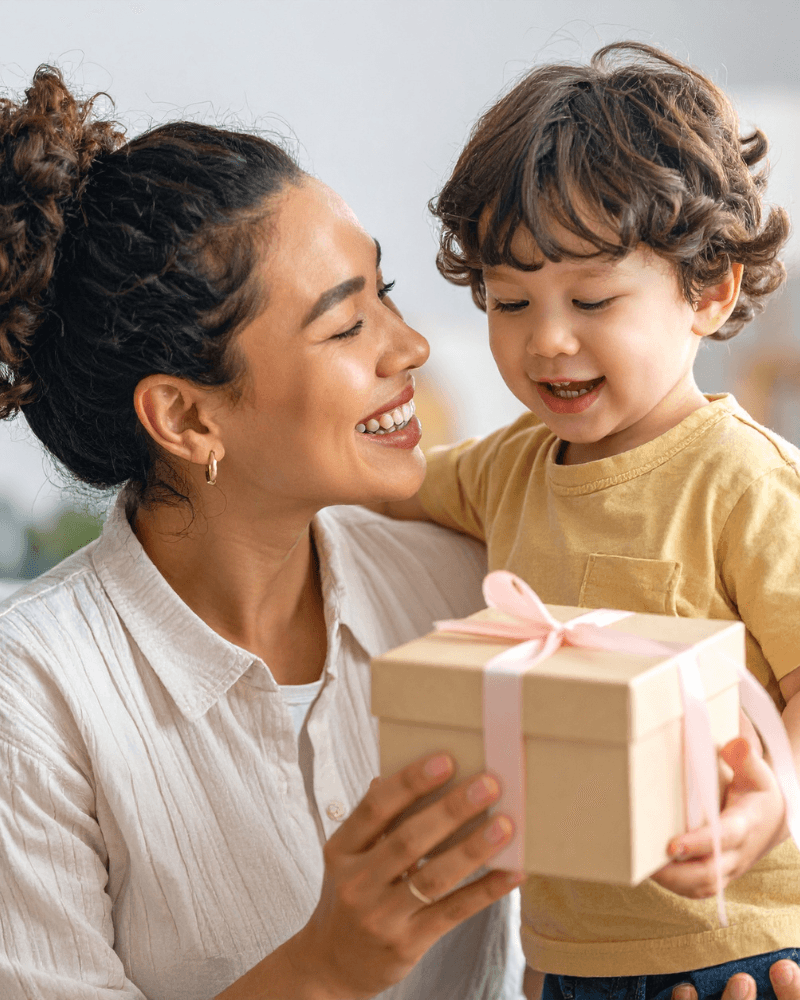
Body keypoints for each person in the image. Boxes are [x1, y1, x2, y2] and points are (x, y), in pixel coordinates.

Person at [0, 65, 528, 999]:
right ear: (187, 418)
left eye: (387, 291)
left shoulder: (473, 588)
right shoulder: (32, 698)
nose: (409, 348)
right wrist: (324, 970)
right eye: (345, 326)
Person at [376, 42, 800, 999]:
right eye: (510, 301)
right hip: (570, 957)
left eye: (593, 299)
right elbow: (386, 484)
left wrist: (777, 804)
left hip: (748, 943)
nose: (547, 340)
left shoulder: (745, 480)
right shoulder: (509, 468)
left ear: (711, 289)